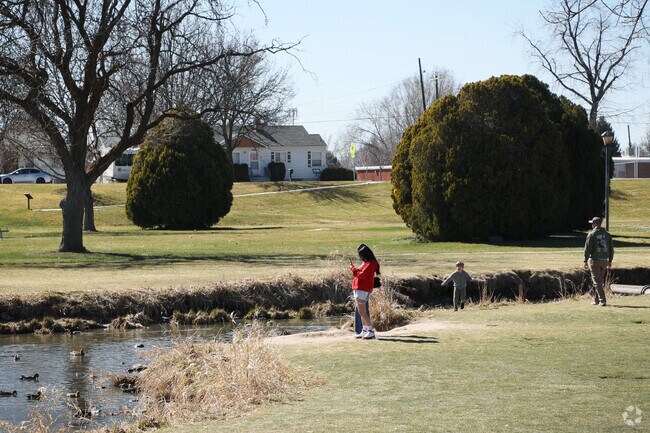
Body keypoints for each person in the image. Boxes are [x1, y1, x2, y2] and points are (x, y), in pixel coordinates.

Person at [350, 244, 380, 340]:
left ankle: (370, 331)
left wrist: (353, 269)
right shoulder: (367, 262)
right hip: (359, 288)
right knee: (361, 311)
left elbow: (361, 275)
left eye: (361, 255)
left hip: (362, 289)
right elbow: (360, 272)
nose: (360, 257)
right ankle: (365, 329)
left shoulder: (371, 263)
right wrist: (354, 268)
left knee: (362, 312)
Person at [583, 216, 614, 306]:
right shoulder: (608, 234)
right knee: (599, 281)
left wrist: (585, 260)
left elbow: (587, 249)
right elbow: (611, 249)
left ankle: (602, 300)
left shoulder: (591, 234)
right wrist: (610, 260)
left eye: (592, 223)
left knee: (597, 282)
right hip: (604, 260)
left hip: (594, 261)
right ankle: (596, 300)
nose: (592, 225)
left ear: (595, 224)